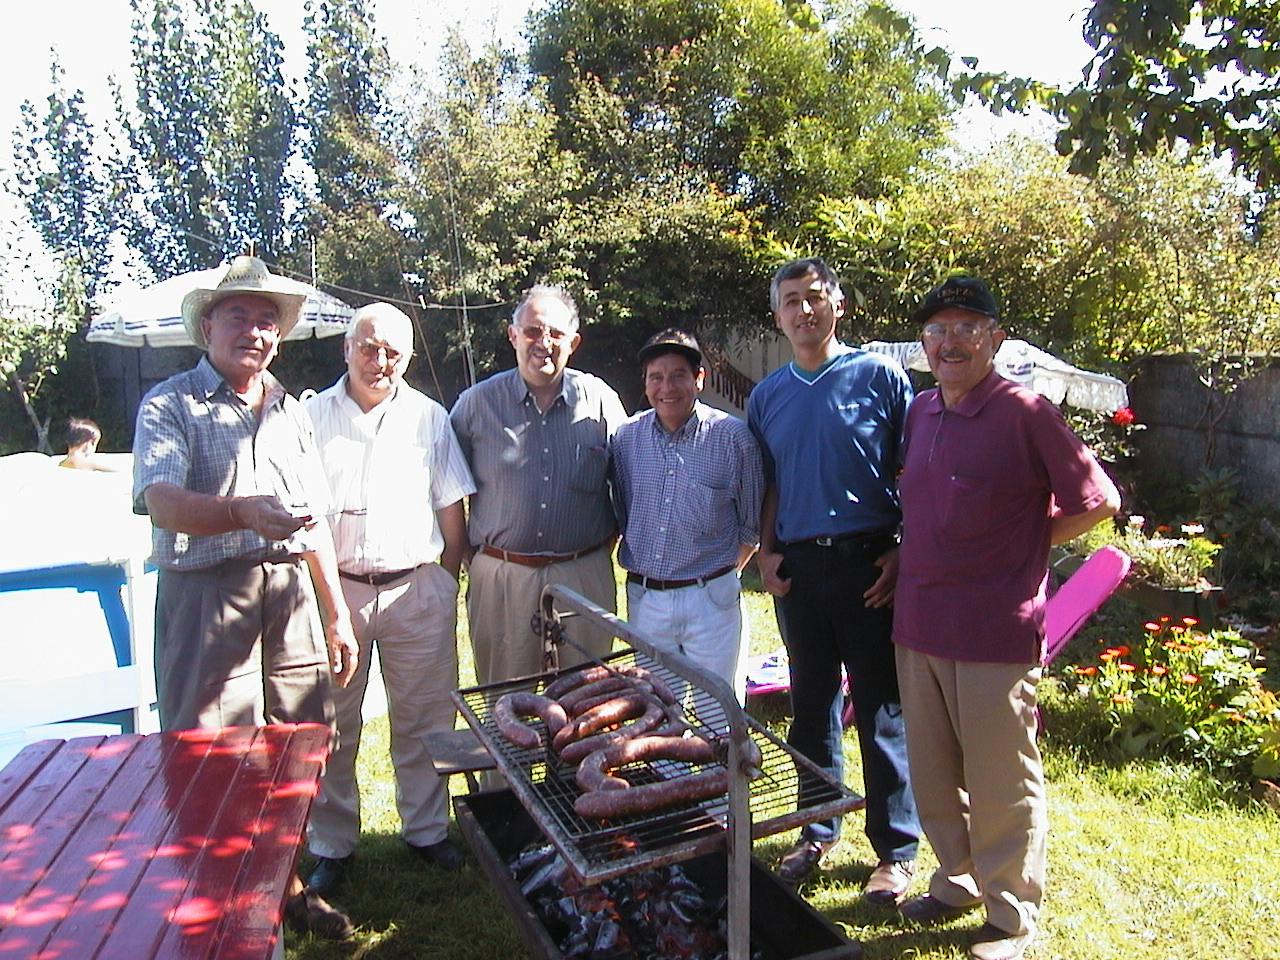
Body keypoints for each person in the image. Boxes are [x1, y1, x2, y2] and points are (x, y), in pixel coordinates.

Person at [132, 255, 359, 940]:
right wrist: (240, 513)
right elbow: (162, 502)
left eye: (267, 321)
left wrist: (337, 613)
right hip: (206, 596)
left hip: (289, 596)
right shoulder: (169, 404)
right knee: (212, 753)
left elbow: (313, 519)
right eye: (239, 317)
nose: (254, 332)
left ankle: (286, 887)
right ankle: (221, 905)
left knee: (298, 744)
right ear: (207, 326)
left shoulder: (292, 411)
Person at [892, 277, 1120, 960]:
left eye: (967, 328)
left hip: (994, 627)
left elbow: (1099, 498)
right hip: (918, 621)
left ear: (995, 338)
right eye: (937, 330)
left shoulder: (1025, 412)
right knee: (933, 772)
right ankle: (957, 880)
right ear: (923, 344)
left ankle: (1013, 911)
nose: (950, 341)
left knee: (999, 776)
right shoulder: (922, 410)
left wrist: (1030, 539)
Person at [747, 257, 921, 903]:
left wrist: (904, 550)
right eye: (790, 301)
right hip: (799, 568)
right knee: (811, 705)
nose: (803, 311)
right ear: (778, 316)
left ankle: (896, 850)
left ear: (838, 305)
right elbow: (768, 484)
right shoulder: (768, 396)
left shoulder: (879, 375)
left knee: (880, 706)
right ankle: (815, 831)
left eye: (814, 298)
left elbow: (916, 473)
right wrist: (766, 556)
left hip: (869, 564)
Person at [303, 303, 476, 893]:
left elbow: (452, 505)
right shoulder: (310, 418)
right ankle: (331, 844)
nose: (381, 362)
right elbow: (303, 518)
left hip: (416, 589)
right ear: (346, 349)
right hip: (339, 593)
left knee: (424, 720)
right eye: (370, 347)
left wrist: (444, 578)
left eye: (394, 352)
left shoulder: (429, 417)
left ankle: (427, 832)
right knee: (331, 721)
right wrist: (328, 605)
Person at [450, 285, 627, 686]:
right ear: (513, 336)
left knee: (587, 700)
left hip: (583, 575)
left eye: (555, 335)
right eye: (531, 332)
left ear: (574, 342)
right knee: (504, 703)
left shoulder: (600, 402)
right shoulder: (476, 406)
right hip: (502, 580)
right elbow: (443, 494)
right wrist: (474, 562)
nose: (542, 344)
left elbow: (628, 485)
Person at [610, 328, 763, 700]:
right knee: (658, 712)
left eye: (678, 374)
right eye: (656, 377)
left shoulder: (733, 438)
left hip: (710, 600)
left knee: (719, 711)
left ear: (699, 378)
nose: (667, 387)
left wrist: (715, 581)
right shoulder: (626, 439)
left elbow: (751, 528)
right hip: (646, 601)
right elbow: (623, 509)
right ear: (645, 385)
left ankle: (721, 761)